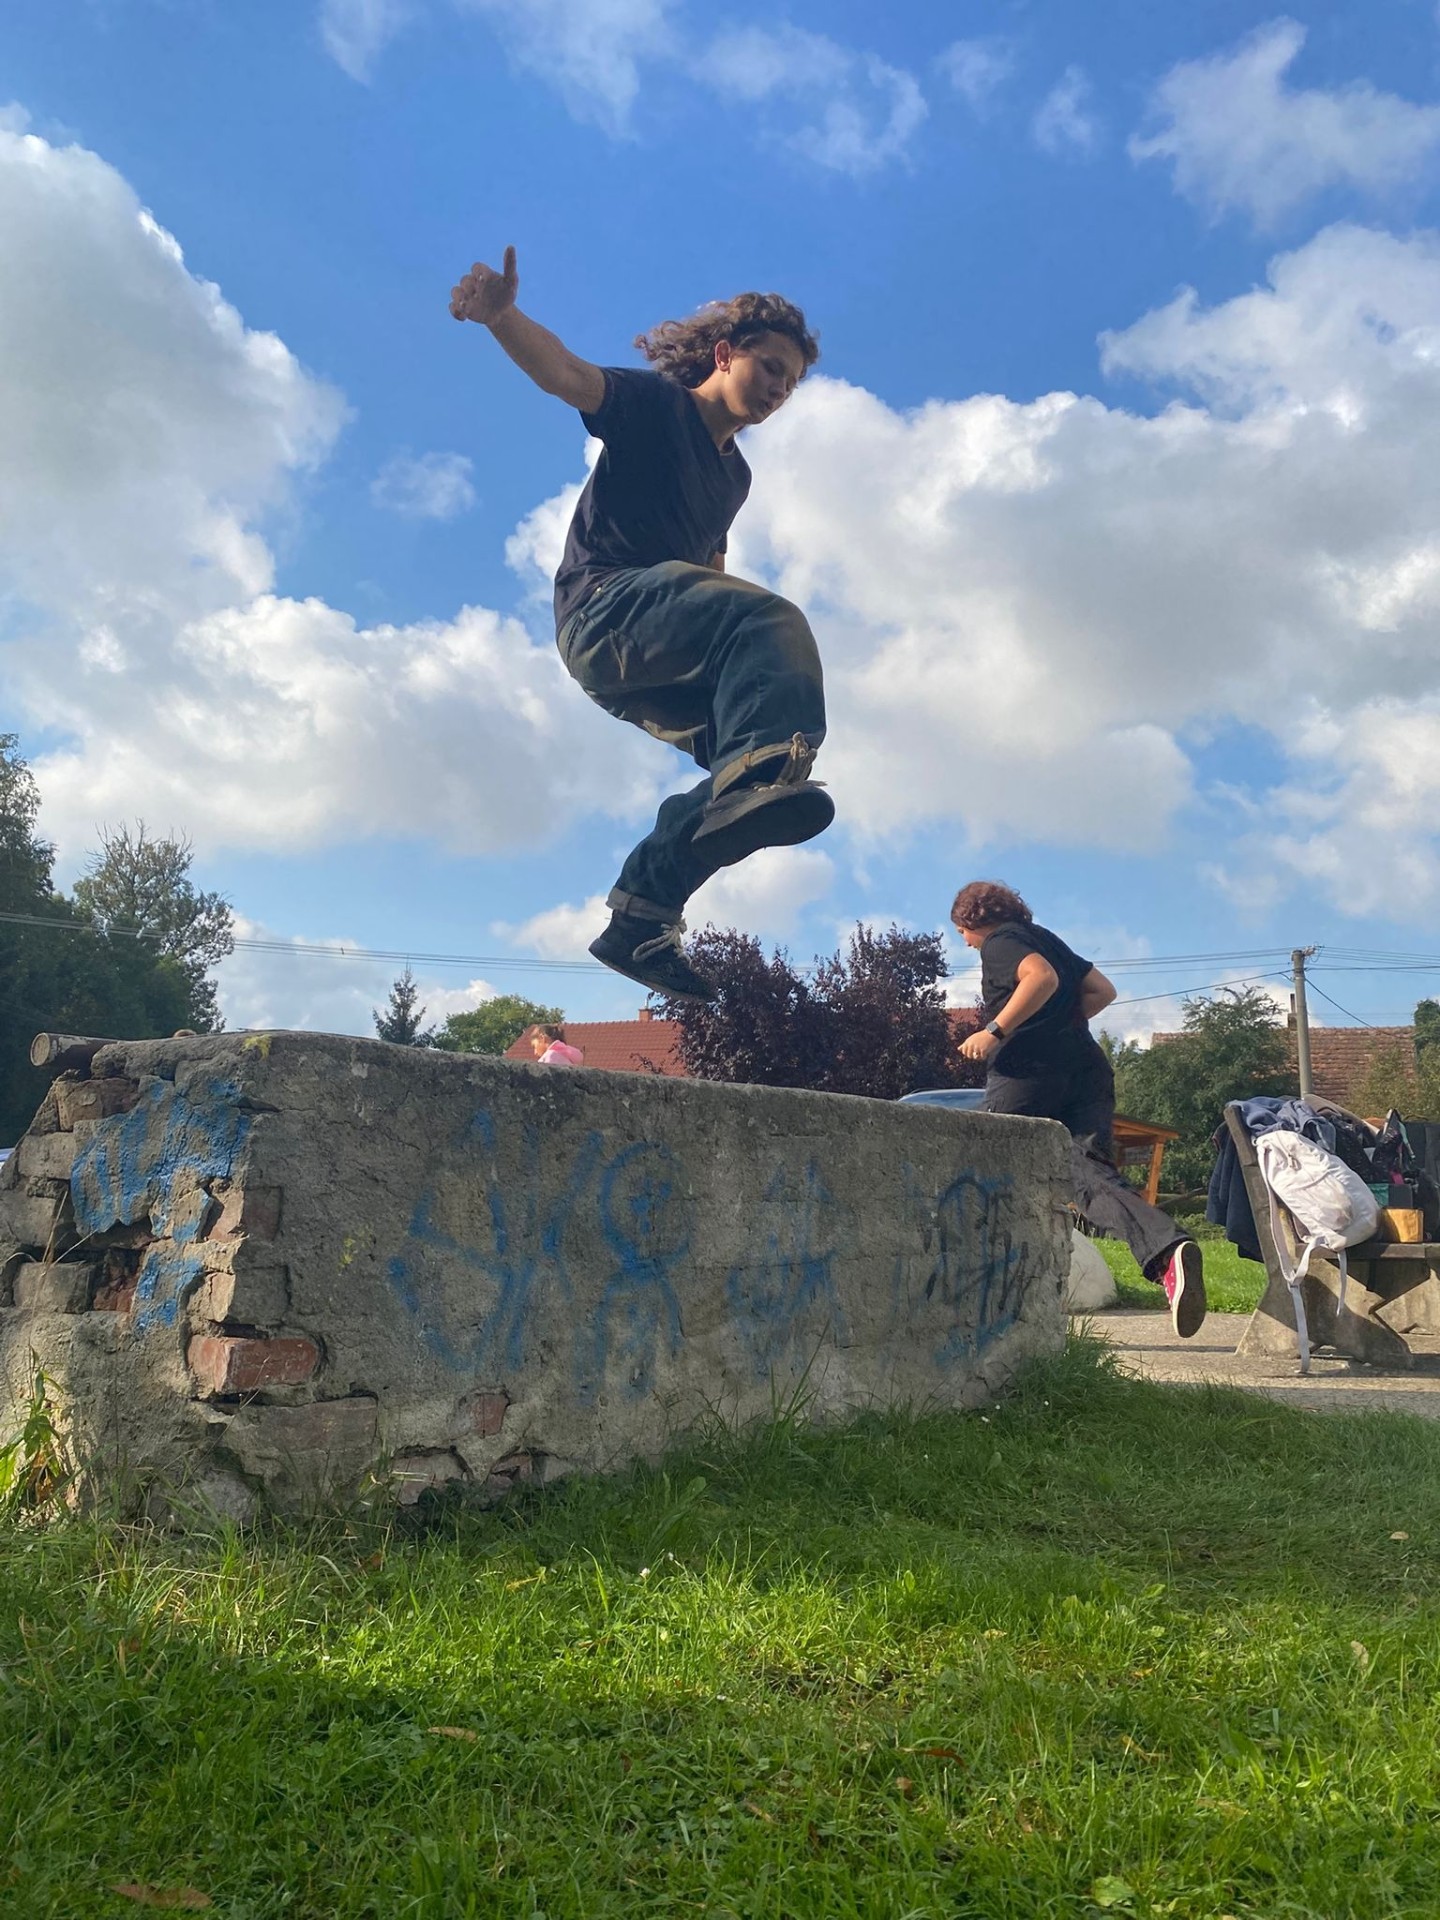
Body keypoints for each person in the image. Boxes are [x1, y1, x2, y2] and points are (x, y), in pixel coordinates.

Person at [450, 247, 831, 1002]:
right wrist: (501, 318)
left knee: (763, 764)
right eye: (770, 369)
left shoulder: (735, 476)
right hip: (605, 611)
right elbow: (568, 375)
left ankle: (643, 912)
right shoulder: (656, 405)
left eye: (790, 384)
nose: (779, 390)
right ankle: (746, 781)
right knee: (772, 627)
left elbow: (712, 572)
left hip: (658, 646)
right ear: (724, 355)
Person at [951, 879, 1206, 1338]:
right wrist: (1057, 1024)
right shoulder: (1046, 938)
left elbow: (1041, 978)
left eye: (962, 933)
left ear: (972, 920)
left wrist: (995, 1030)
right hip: (1086, 1068)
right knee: (1087, 1173)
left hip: (1028, 1073)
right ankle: (1167, 1253)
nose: (966, 943)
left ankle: (973, 1301)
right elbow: (1102, 991)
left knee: (987, 1168)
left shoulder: (1000, 942)